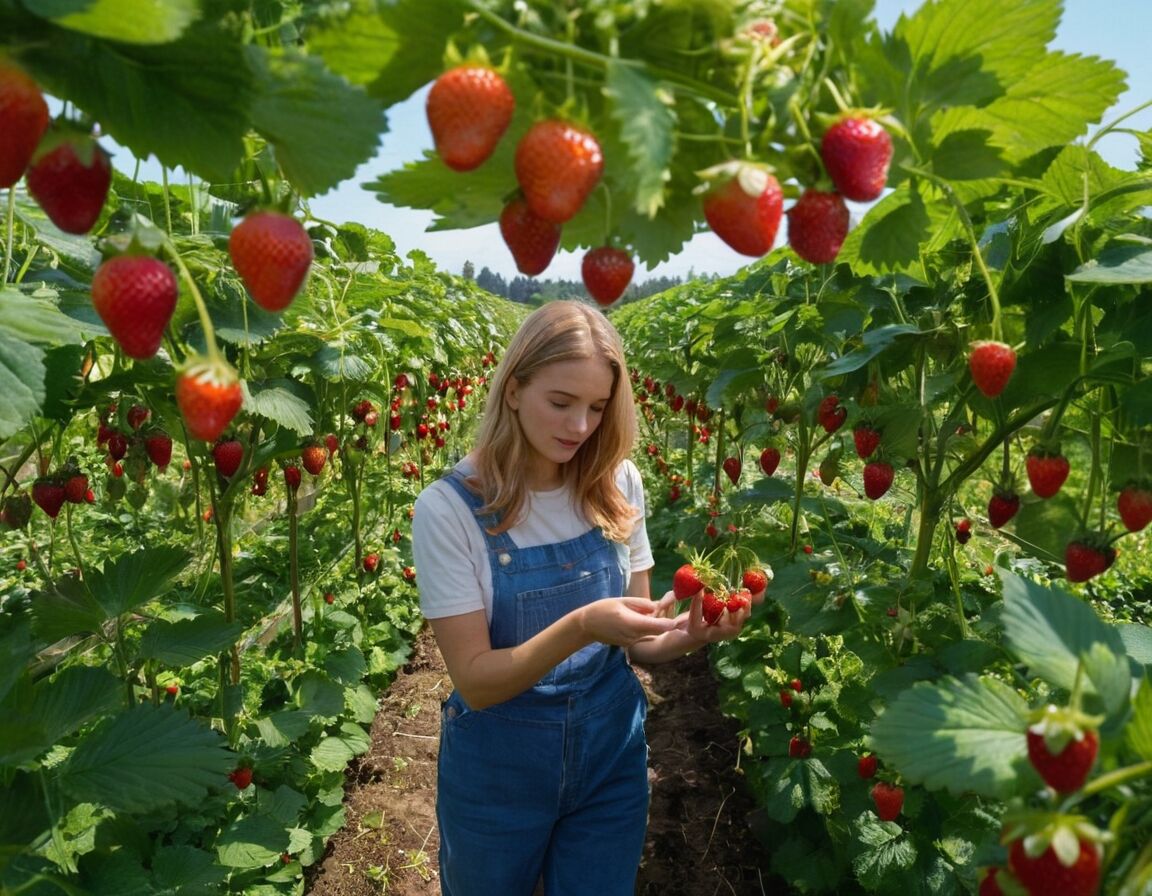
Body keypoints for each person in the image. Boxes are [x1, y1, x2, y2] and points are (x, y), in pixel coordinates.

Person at [410, 299, 761, 896]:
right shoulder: (448, 511)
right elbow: (475, 680)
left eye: (597, 408)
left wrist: (690, 634)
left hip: (610, 757)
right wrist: (583, 626)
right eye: (561, 402)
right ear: (514, 389)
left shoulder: (617, 484)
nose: (580, 427)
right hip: (499, 770)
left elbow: (642, 639)